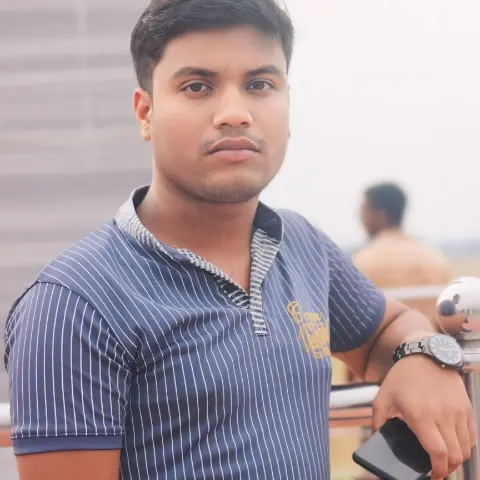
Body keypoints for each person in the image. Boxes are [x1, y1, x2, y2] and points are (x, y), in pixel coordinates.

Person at [4, 1, 475, 479]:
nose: (235, 114)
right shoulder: (73, 305)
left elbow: (385, 330)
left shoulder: (301, 246)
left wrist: (423, 353)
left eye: (259, 85)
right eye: (197, 86)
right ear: (145, 113)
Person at [354, 182, 453, 320]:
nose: (360, 218)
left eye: (365, 210)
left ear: (380, 215)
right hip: (433, 333)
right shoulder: (435, 258)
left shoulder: (364, 261)